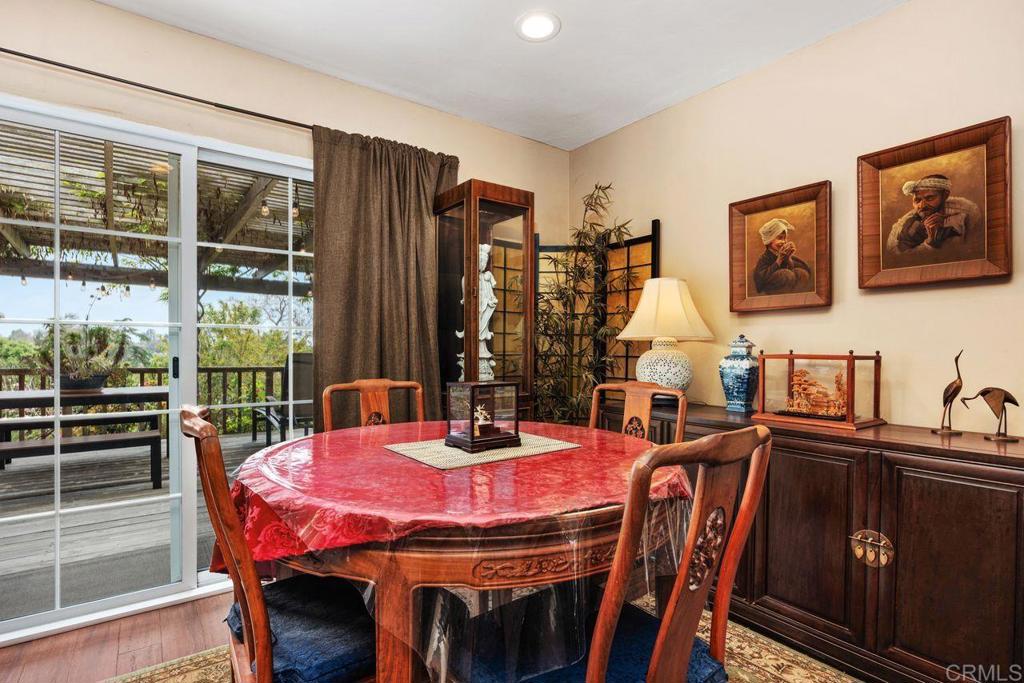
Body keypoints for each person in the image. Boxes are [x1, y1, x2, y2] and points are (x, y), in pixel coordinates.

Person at [886, 174, 981, 253]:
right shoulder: (909, 226)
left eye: (929, 198)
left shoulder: (967, 212)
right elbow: (901, 259)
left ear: (945, 195)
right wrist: (929, 243)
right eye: (917, 200)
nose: (922, 205)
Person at [753, 218, 812, 294]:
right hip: (772, 287)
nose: (784, 242)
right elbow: (761, 278)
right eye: (780, 238)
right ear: (769, 240)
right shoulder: (764, 258)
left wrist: (788, 258)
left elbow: (791, 268)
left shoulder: (781, 253)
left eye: (785, 238)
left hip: (787, 283)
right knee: (786, 274)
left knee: (801, 273)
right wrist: (779, 260)